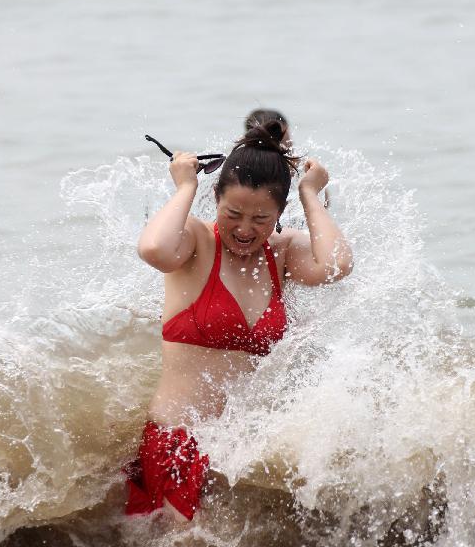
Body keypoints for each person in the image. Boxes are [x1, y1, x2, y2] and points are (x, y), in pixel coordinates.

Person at [124, 120, 353, 520]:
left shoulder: (279, 255)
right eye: (233, 213)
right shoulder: (195, 242)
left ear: (280, 214)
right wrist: (184, 186)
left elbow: (335, 266)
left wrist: (309, 193)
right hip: (176, 442)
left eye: (261, 219)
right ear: (215, 199)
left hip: (237, 456)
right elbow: (153, 248)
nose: (245, 230)